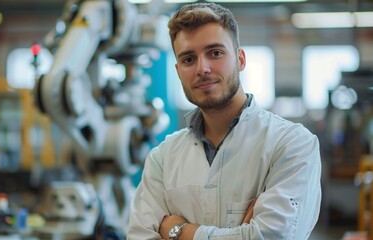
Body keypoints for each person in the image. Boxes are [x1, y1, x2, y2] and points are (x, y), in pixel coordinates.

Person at [127, 2, 321, 240]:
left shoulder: (291, 144)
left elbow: (273, 237)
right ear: (178, 71)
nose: (202, 68)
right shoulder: (163, 158)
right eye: (188, 59)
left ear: (240, 59)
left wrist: (177, 232)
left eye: (215, 53)